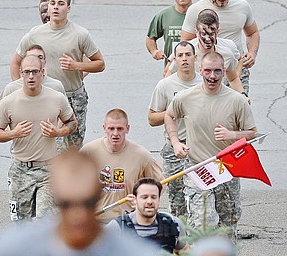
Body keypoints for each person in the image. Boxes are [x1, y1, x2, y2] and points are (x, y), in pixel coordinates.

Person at [0, 149, 158, 256]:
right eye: (66, 204)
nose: (77, 214)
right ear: (55, 195)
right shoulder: (14, 249)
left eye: (87, 203)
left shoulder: (135, 252)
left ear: (99, 193)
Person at [164, 52, 257, 240]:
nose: (212, 76)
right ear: (200, 71)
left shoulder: (237, 100)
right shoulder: (186, 97)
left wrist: (232, 135)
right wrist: (175, 142)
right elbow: (169, 115)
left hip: (226, 168)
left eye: (216, 71)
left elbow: (252, 132)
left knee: (227, 225)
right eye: (207, 71)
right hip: (197, 168)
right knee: (202, 223)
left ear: (224, 72)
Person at [0, 55, 77, 222]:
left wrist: (58, 132)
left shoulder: (56, 98)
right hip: (21, 171)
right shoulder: (8, 102)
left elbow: (72, 123)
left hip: (48, 170)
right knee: (22, 226)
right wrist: (13, 133)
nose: (31, 76)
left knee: (45, 223)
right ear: (21, 73)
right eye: (27, 72)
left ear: (42, 72)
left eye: (35, 72)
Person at [10, 0, 105, 149]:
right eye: (52, 3)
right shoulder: (35, 34)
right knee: (52, 147)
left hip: (74, 97)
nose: (55, 7)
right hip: (46, 96)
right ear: (48, 6)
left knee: (73, 147)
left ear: (68, 8)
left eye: (61, 3)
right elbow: (16, 62)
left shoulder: (80, 34)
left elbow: (100, 63)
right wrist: (20, 90)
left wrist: (76, 66)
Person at [80, 108, 164, 224]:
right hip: (95, 222)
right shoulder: (88, 152)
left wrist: (142, 201)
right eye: (111, 128)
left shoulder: (142, 156)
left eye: (120, 129)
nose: (115, 133)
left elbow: (160, 184)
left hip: (128, 222)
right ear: (104, 128)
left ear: (127, 129)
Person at [148, 41, 202, 218]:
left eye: (188, 55)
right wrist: (173, 112)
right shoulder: (165, 85)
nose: (184, 59)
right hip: (174, 147)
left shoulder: (204, 82)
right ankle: (180, 238)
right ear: (174, 60)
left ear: (195, 57)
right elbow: (152, 118)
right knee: (177, 198)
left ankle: (199, 236)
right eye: (180, 55)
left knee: (201, 195)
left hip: (201, 147)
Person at [180, 0, 260, 94]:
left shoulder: (243, 6)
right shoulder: (195, 9)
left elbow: (252, 33)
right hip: (208, 71)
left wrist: (252, 53)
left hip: (236, 66)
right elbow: (185, 44)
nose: (222, 3)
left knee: (240, 104)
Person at [166, 10, 245, 94]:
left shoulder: (226, 53)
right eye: (203, 34)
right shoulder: (187, 52)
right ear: (196, 32)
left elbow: (233, 79)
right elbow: (168, 76)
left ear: (217, 31)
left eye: (211, 34)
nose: (207, 39)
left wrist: (243, 94)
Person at [106, 178, 188, 254]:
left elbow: (184, 252)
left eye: (153, 197)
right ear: (134, 200)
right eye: (144, 197)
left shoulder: (173, 224)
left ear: (159, 199)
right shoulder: (117, 227)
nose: (149, 201)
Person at [0, 44, 66, 104]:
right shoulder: (11, 88)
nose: (35, 60)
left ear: (45, 62)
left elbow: (65, 114)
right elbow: (1, 116)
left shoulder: (56, 86)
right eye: (31, 57)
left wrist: (58, 120)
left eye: (40, 57)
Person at [146, 0, 192, 68]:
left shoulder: (200, 14)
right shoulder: (164, 15)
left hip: (195, 67)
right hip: (171, 67)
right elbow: (150, 38)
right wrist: (154, 51)